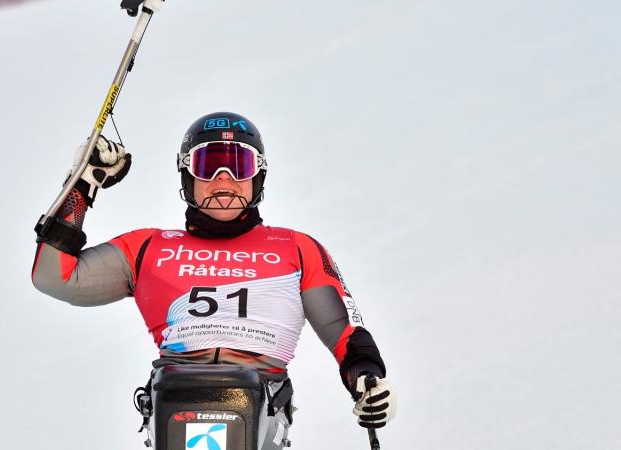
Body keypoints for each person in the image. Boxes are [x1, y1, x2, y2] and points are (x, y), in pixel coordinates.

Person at [32, 112, 396, 447]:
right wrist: (81, 188)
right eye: (209, 166)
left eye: (240, 165)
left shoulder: (296, 248)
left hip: (259, 400)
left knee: (245, 396)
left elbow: (345, 330)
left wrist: (366, 377)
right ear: (188, 176)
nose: (225, 181)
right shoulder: (149, 247)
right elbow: (54, 278)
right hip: (177, 395)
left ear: (259, 177)